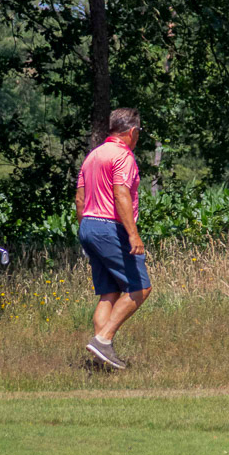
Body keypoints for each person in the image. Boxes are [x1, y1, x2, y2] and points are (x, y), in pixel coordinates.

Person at [75, 108, 151, 369]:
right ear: (132, 131)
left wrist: (85, 233)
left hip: (88, 226)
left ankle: (101, 358)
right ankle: (103, 340)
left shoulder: (93, 156)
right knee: (140, 287)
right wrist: (133, 234)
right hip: (110, 227)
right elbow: (121, 194)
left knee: (109, 293)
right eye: (139, 132)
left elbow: (80, 199)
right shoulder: (123, 155)